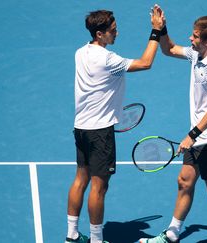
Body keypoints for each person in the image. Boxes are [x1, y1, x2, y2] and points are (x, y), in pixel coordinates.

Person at [139, 6, 207, 243]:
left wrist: (192, 135)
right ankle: (172, 233)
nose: (190, 38)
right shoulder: (199, 54)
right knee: (184, 181)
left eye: (195, 36)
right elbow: (169, 49)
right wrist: (160, 28)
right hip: (200, 137)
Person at [65, 6, 165, 243]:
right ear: (99, 34)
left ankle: (71, 235)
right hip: (100, 132)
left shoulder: (80, 53)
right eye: (113, 31)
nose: (116, 34)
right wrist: (156, 31)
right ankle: (97, 240)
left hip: (81, 127)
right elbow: (146, 63)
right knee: (99, 188)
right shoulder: (108, 59)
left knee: (81, 179)